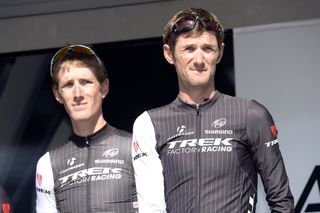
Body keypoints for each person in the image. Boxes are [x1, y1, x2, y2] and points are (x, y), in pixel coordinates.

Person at [132, 8, 294, 213]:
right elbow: (151, 208)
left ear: (220, 52)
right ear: (168, 54)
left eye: (207, 48)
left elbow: (282, 202)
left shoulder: (251, 114)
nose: (199, 60)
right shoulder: (149, 123)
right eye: (189, 49)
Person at [35, 44, 138, 212]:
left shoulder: (134, 147)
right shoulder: (48, 163)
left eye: (85, 82)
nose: (77, 94)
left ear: (103, 88)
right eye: (68, 85)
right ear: (57, 94)